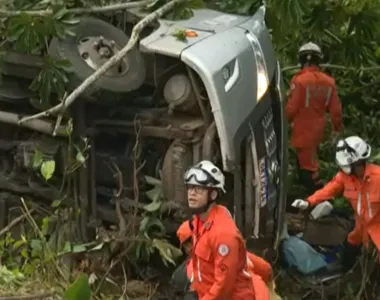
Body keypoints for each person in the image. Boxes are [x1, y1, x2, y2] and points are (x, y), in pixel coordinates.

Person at [291, 136, 380, 269]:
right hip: (361, 226)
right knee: (351, 243)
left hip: (377, 226)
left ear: (357, 162)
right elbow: (328, 190)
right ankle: (346, 270)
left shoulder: (377, 178)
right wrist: (309, 202)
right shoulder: (344, 177)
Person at [182, 160, 266, 299]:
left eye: (199, 189)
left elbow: (224, 287)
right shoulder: (199, 220)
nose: (192, 193)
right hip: (207, 290)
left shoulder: (223, 235)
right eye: (190, 187)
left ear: (213, 195)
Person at [286, 42, 343, 193]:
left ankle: (318, 197)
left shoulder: (299, 81)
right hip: (318, 129)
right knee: (308, 163)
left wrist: (283, 121)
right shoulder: (329, 82)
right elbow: (336, 110)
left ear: (302, 60)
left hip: (302, 130)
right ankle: (315, 197)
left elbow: (292, 108)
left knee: (308, 168)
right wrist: (336, 130)